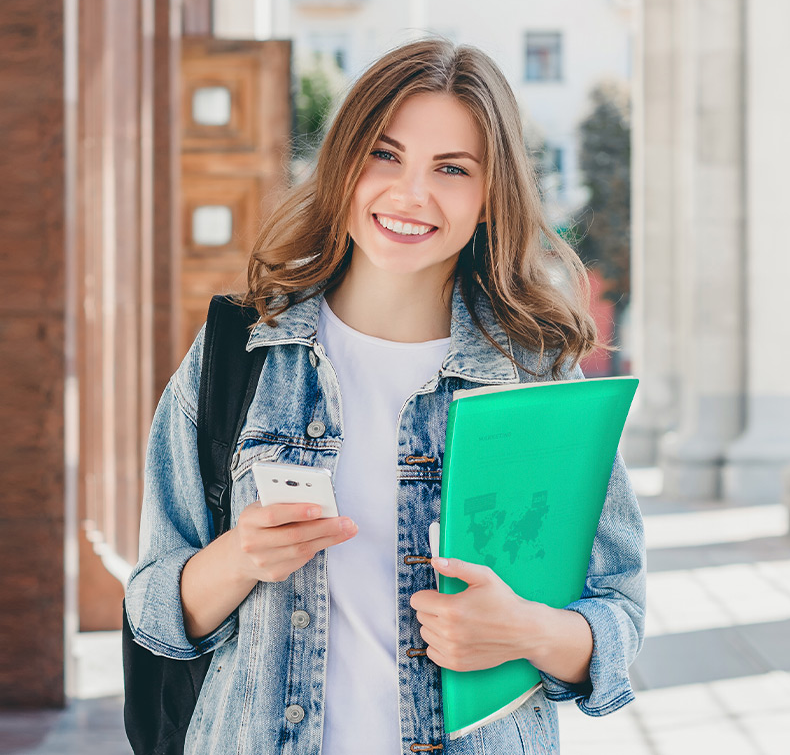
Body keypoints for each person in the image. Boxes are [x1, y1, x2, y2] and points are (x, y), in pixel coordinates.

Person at [125, 38, 645, 755]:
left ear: (491, 195)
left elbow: (618, 613)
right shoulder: (239, 353)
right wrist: (238, 557)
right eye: (385, 154)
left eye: (452, 168)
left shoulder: (538, 376)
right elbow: (152, 605)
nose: (411, 193)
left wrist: (529, 631)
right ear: (344, 164)